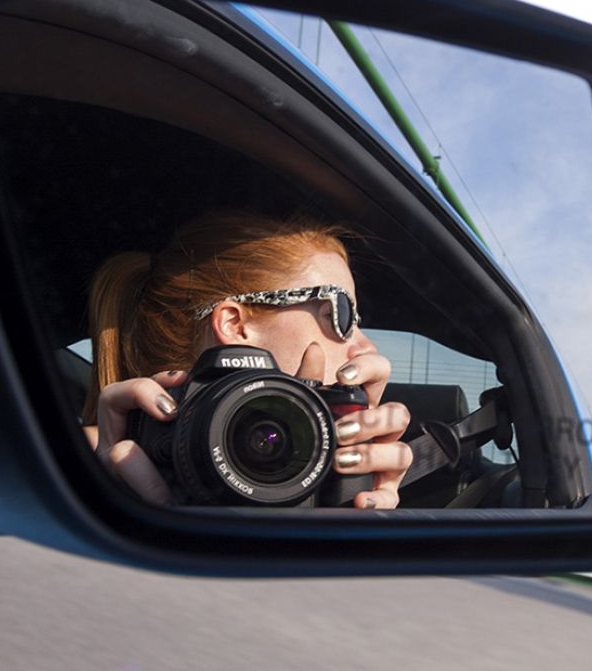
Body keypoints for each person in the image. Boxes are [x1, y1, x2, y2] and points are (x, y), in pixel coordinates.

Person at [81, 210, 412, 508]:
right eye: (340, 315)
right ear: (234, 324)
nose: (368, 349)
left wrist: (347, 497)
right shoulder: (75, 463)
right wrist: (106, 502)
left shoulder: (323, 461)